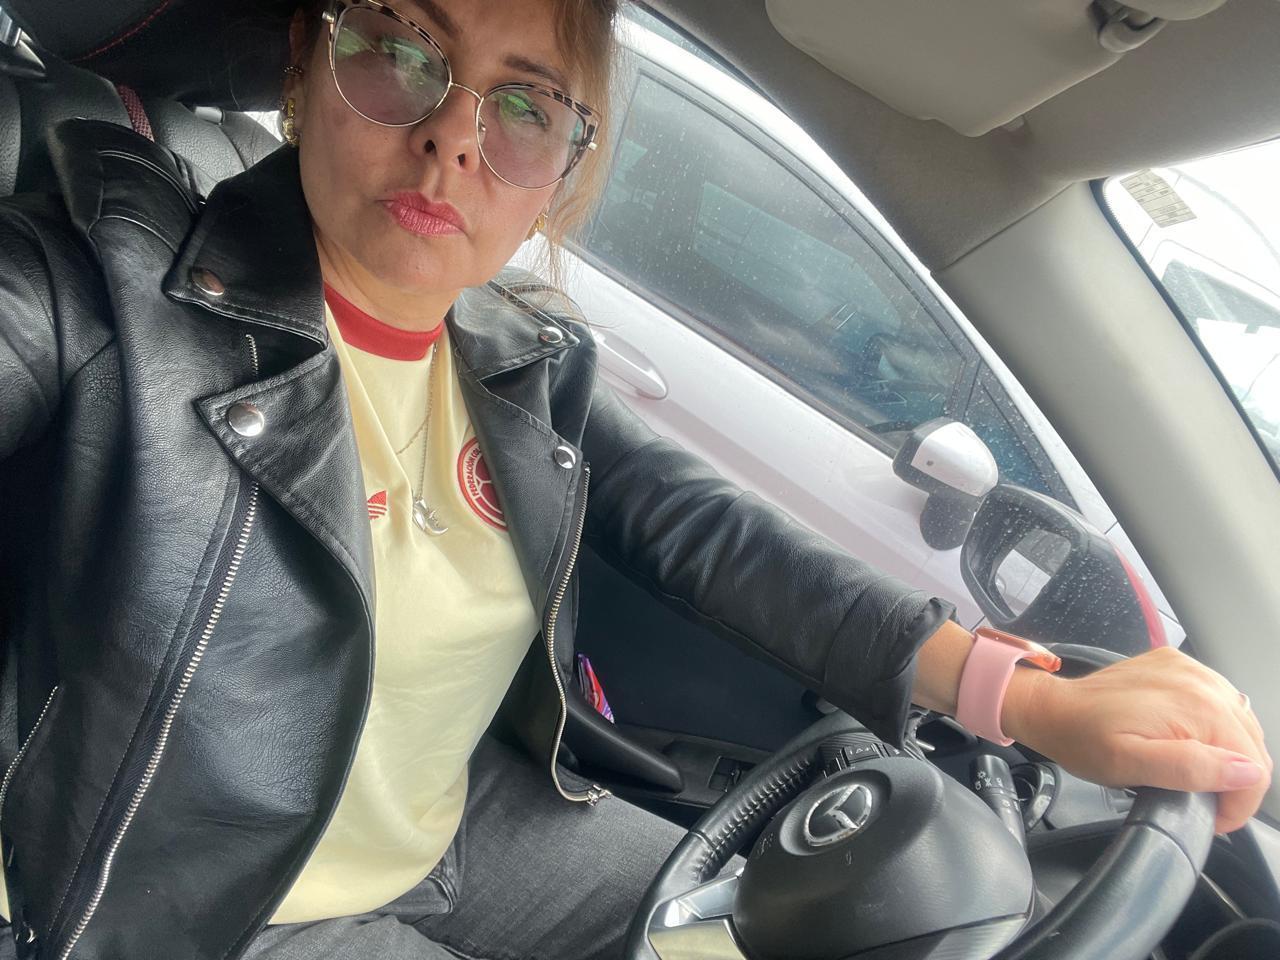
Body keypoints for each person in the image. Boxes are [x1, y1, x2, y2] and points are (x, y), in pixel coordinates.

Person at [0, 0, 1270, 957]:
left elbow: (710, 533)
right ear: (305, 59)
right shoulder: (105, 290)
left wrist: (1021, 696)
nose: (451, 135)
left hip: (466, 820)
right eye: (400, 50)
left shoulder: (519, 359)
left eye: (524, 105)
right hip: (212, 898)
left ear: (564, 161)